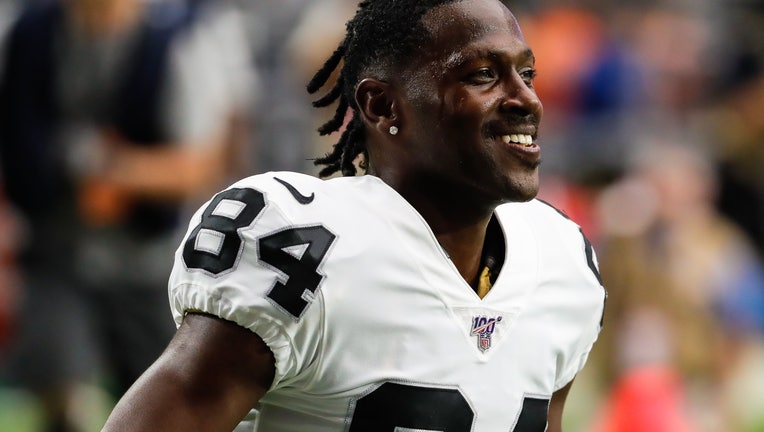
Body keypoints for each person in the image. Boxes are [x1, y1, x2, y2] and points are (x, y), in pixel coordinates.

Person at [102, 0, 607, 430]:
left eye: (527, 73)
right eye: (483, 75)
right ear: (382, 105)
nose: (526, 99)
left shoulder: (560, 260)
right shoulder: (308, 250)